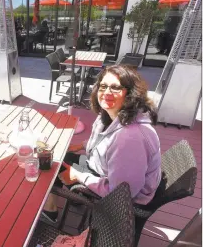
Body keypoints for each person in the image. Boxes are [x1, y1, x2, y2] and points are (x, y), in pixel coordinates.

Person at [42, 65, 161, 223]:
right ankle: (77, 197)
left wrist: (79, 176)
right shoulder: (111, 115)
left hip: (123, 199)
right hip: (104, 171)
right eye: (103, 86)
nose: (106, 92)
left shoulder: (130, 138)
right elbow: (104, 143)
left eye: (115, 88)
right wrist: (82, 145)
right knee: (58, 156)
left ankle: (51, 210)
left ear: (130, 94)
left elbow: (121, 194)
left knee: (52, 164)